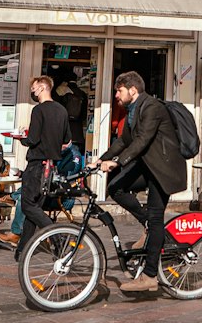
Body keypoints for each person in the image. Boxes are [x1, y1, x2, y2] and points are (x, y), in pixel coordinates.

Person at [93, 70, 186, 295]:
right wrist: (102, 158)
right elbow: (124, 140)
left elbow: (142, 140)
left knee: (156, 219)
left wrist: (118, 162)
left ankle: (150, 276)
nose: (116, 95)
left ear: (132, 90)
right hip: (149, 166)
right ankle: (148, 224)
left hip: (163, 170)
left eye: (119, 90)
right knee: (115, 187)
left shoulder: (152, 107)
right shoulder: (133, 109)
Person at [12, 75, 71, 261]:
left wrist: (21, 137)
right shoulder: (61, 110)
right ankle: (22, 251)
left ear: (44, 87)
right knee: (35, 207)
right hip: (52, 167)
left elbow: (33, 139)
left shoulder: (38, 110)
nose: (32, 91)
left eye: (34, 88)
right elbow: (66, 140)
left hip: (37, 164)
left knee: (28, 205)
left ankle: (58, 236)